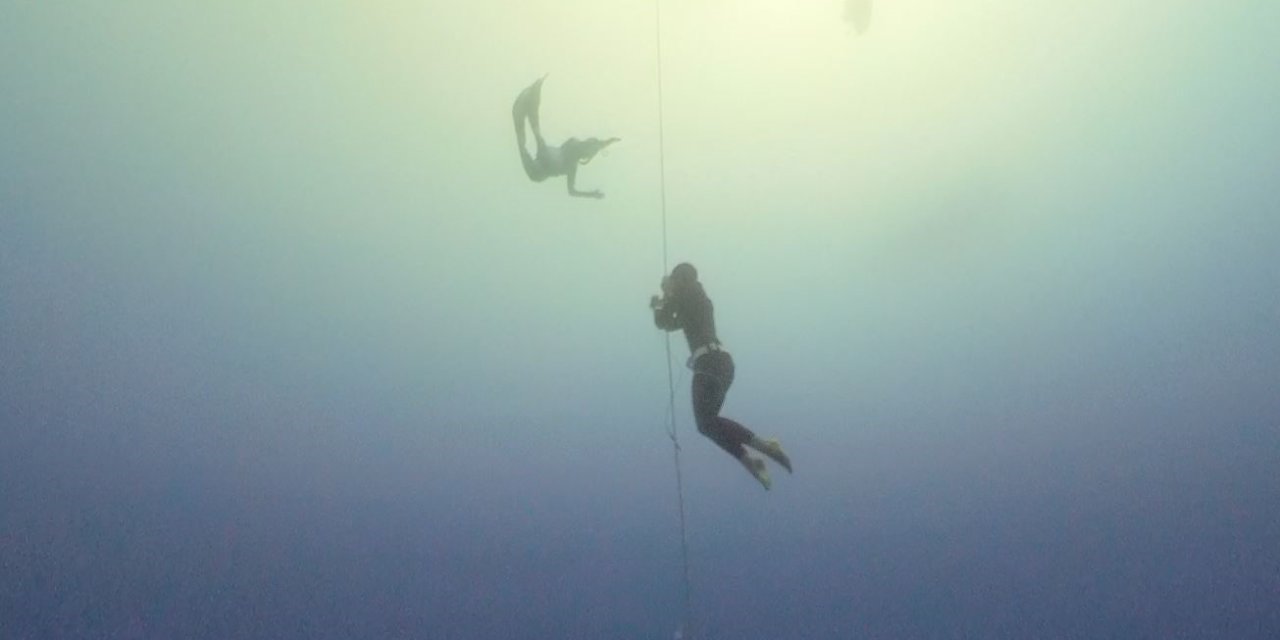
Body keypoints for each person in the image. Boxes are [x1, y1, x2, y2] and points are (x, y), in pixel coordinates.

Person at [650, 263, 792, 490]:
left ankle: (764, 449)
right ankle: (752, 458)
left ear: (680, 280)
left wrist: (664, 296)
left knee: (706, 423)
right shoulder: (699, 300)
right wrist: (662, 303)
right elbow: (668, 323)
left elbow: (664, 320)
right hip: (722, 365)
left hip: (708, 364)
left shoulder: (689, 292)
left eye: (674, 280)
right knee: (708, 424)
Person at [512, 75, 620, 199]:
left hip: (537, 173)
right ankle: (532, 101)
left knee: (532, 142)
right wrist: (611, 141)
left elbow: (572, 191)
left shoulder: (572, 165)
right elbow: (598, 144)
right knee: (539, 137)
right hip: (548, 156)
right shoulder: (577, 145)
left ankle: (529, 105)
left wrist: (592, 194)